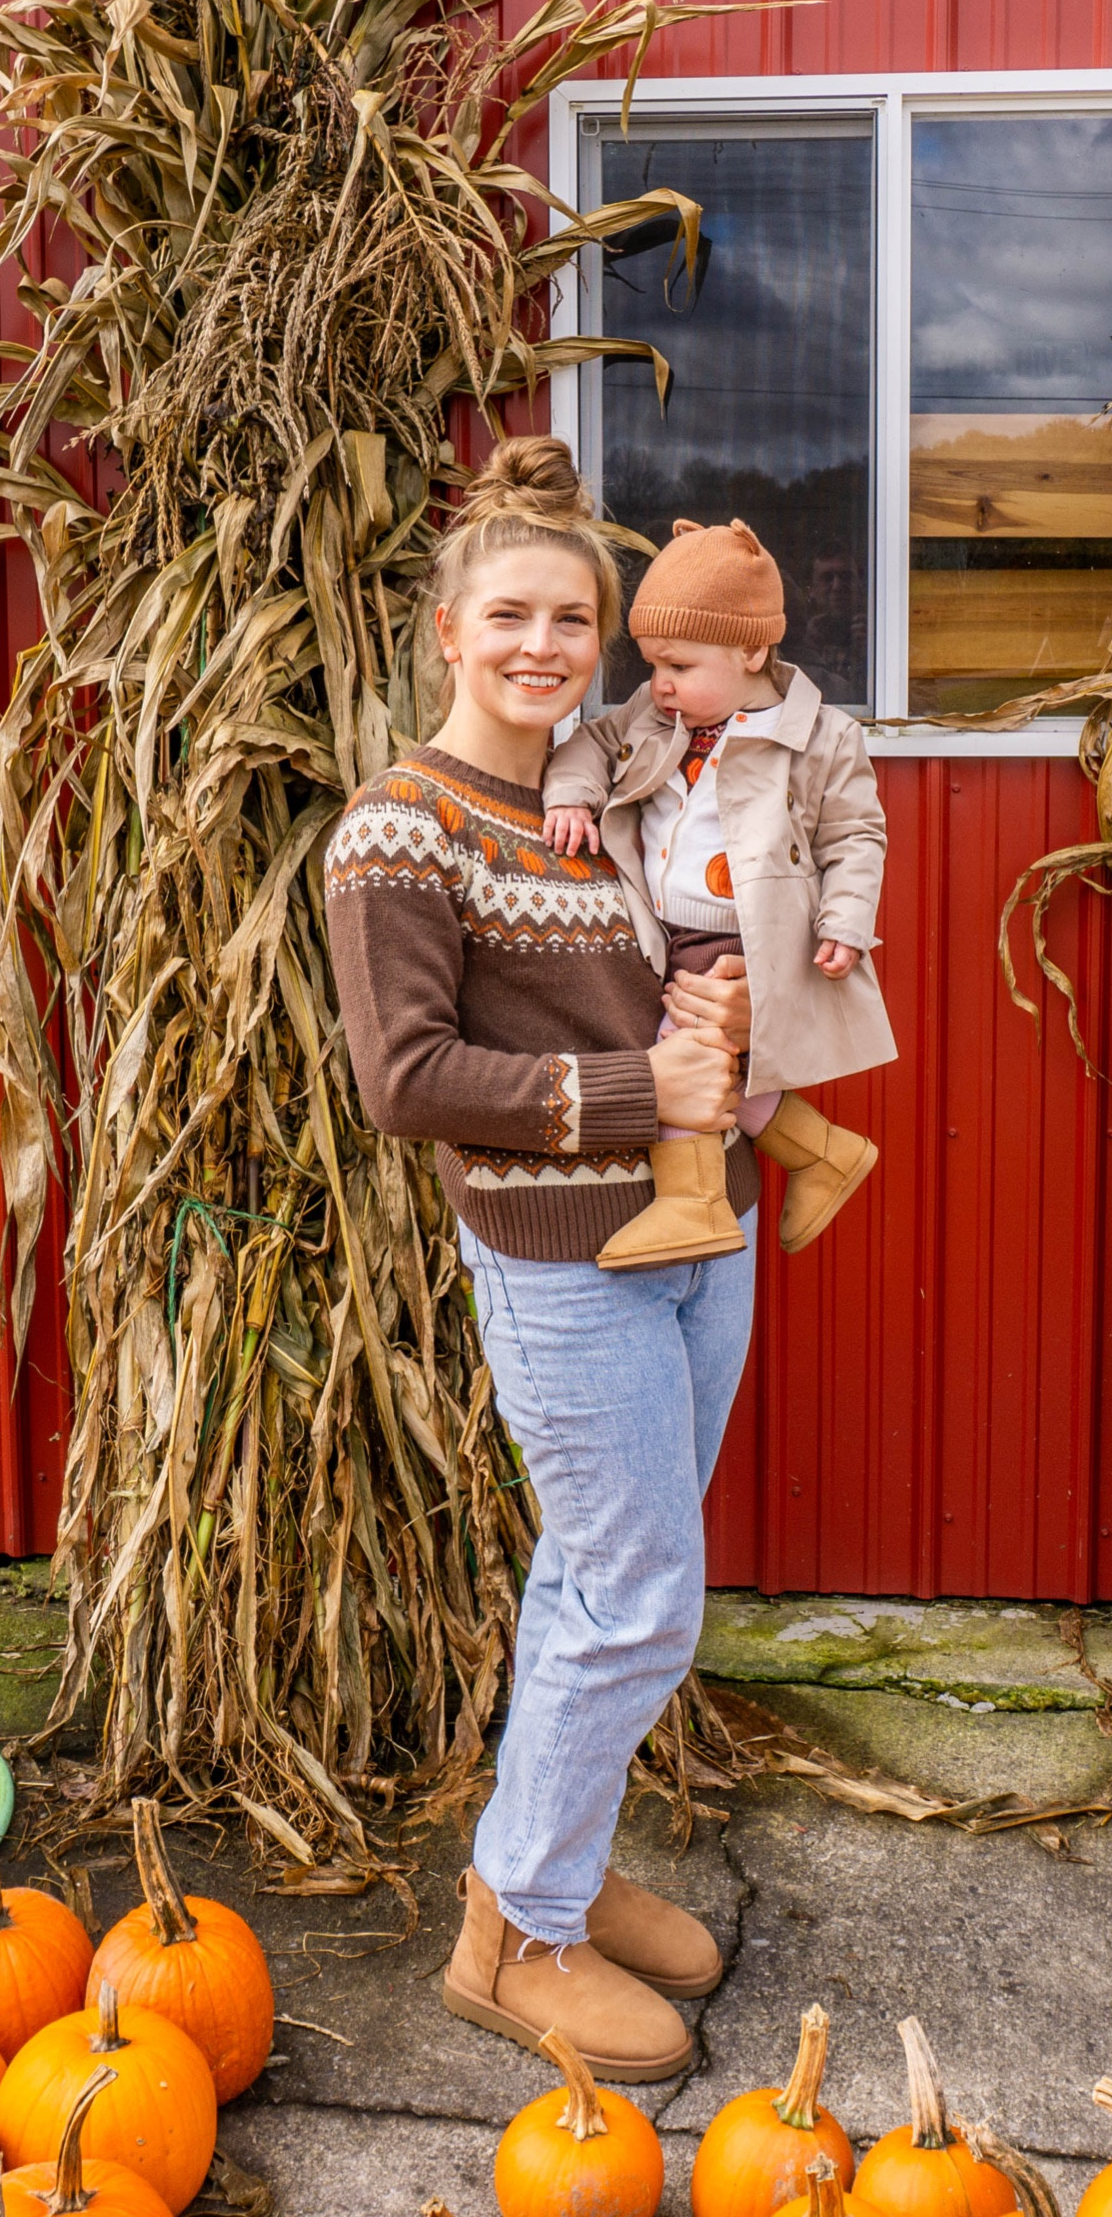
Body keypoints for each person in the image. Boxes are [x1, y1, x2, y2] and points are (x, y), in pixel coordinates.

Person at [323, 434, 758, 2083]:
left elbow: (673, 962)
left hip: (693, 1234)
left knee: (597, 1581)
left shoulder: (609, 789)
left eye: (571, 620)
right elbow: (403, 1080)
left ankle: (548, 1866)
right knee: (638, 1597)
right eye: (508, 614)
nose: (541, 648)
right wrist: (640, 1085)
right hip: (563, 1262)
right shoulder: (399, 831)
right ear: (448, 632)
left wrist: (720, 1027)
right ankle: (510, 1939)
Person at [542, 516, 896, 1270]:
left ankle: (691, 1204)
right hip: (665, 930)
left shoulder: (822, 738)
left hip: (750, 938)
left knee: (692, 1053)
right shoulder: (658, 712)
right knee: (717, 1064)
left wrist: (846, 918)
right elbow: (589, 744)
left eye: (676, 664)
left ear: (751, 650)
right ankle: (823, 1152)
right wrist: (571, 797)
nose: (657, 683)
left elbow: (857, 837)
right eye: (650, 664)